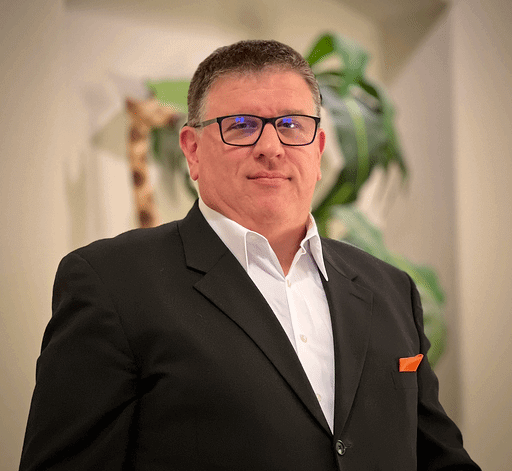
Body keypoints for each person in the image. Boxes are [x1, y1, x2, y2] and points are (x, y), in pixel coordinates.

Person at [19, 40, 480, 470]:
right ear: (192, 150)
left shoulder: (392, 289)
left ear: (318, 150)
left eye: (291, 125)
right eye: (240, 126)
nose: (271, 148)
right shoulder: (112, 283)